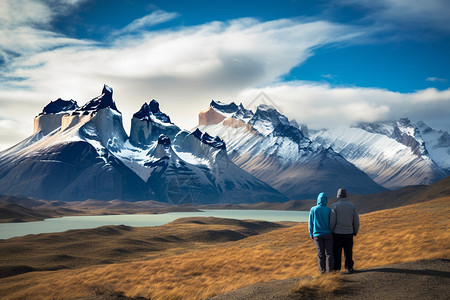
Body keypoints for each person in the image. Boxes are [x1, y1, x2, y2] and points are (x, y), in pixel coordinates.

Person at [330, 188, 359, 273]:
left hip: (337, 233)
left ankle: (337, 269)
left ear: (338, 195)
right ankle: (349, 267)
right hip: (349, 233)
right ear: (346, 195)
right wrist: (355, 231)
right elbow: (356, 220)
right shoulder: (352, 206)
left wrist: (331, 231)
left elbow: (332, 221)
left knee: (337, 252)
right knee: (348, 251)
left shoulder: (334, 206)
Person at [309, 192, 334, 273]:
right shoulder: (329, 210)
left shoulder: (313, 209)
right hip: (328, 234)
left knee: (320, 254)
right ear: (326, 200)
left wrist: (311, 234)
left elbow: (310, 223)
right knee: (329, 253)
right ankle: (330, 271)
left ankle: (322, 272)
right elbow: (331, 222)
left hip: (317, 235)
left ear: (318, 199)